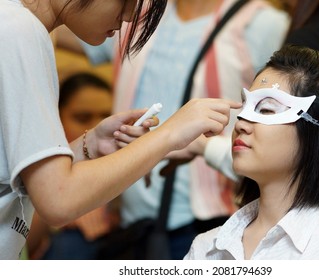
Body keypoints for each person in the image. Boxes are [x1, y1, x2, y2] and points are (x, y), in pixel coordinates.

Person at [0, 0, 241, 259]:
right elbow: (58, 199)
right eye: (129, 1)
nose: (129, 17)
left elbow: (24, 178)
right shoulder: (21, 30)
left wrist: (90, 144)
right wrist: (169, 135)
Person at [181, 0, 319, 247]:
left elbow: (281, 149)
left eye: (267, 109)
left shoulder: (315, 44)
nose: (243, 123)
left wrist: (203, 147)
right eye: (246, 105)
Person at [108, 0, 289, 259]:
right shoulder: (135, 11)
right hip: (130, 214)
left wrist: (205, 147)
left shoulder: (262, 22)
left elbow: (286, 128)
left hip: (211, 214)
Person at [27, 72, 120, 259]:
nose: (96, 127)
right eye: (82, 118)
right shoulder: (32, 161)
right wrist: (57, 218)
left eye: (106, 117)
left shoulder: (123, 156)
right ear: (56, 118)